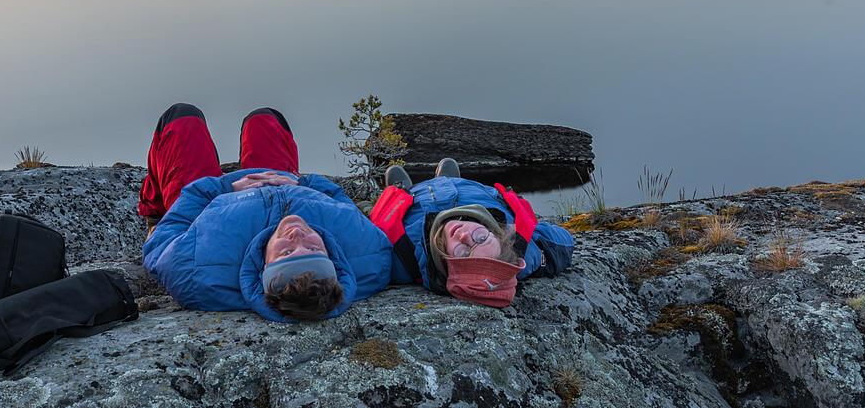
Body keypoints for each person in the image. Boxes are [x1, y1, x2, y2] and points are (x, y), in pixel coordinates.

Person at [139, 103, 391, 322]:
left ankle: (153, 208)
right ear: (333, 262)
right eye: (314, 250)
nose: (297, 235)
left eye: (287, 252)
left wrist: (223, 187)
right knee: (266, 119)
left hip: (206, 197)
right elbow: (340, 200)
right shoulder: (370, 257)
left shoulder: (193, 273)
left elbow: (159, 244)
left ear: (263, 267)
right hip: (282, 180)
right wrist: (302, 184)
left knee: (182, 118)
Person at [370, 159, 574, 306]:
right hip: (471, 190)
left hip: (418, 196)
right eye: (481, 238)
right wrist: (536, 254)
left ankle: (400, 188)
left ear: (445, 261)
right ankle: (449, 179)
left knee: (403, 194)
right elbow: (563, 242)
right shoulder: (515, 249)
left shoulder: (401, 260)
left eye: (464, 253)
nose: (465, 236)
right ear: (497, 235)